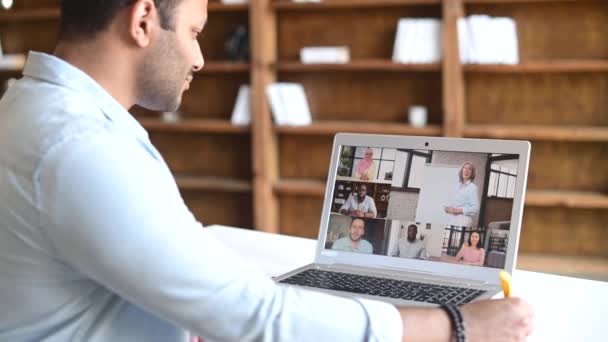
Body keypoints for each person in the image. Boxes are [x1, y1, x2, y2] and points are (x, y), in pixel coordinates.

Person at [0, 1, 534, 341]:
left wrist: (189, 312)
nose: (201, 58)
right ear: (143, 20)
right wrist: (457, 326)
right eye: (195, 31)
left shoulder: (26, 109)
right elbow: (258, 317)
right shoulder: (81, 147)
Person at [444, 161, 480, 227]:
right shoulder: (456, 185)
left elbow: (475, 208)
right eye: (464, 168)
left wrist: (458, 211)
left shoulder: (473, 187)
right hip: (451, 218)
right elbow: (453, 201)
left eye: (469, 169)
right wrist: (447, 208)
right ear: (461, 170)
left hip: (463, 220)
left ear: (472, 173)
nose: (466, 171)